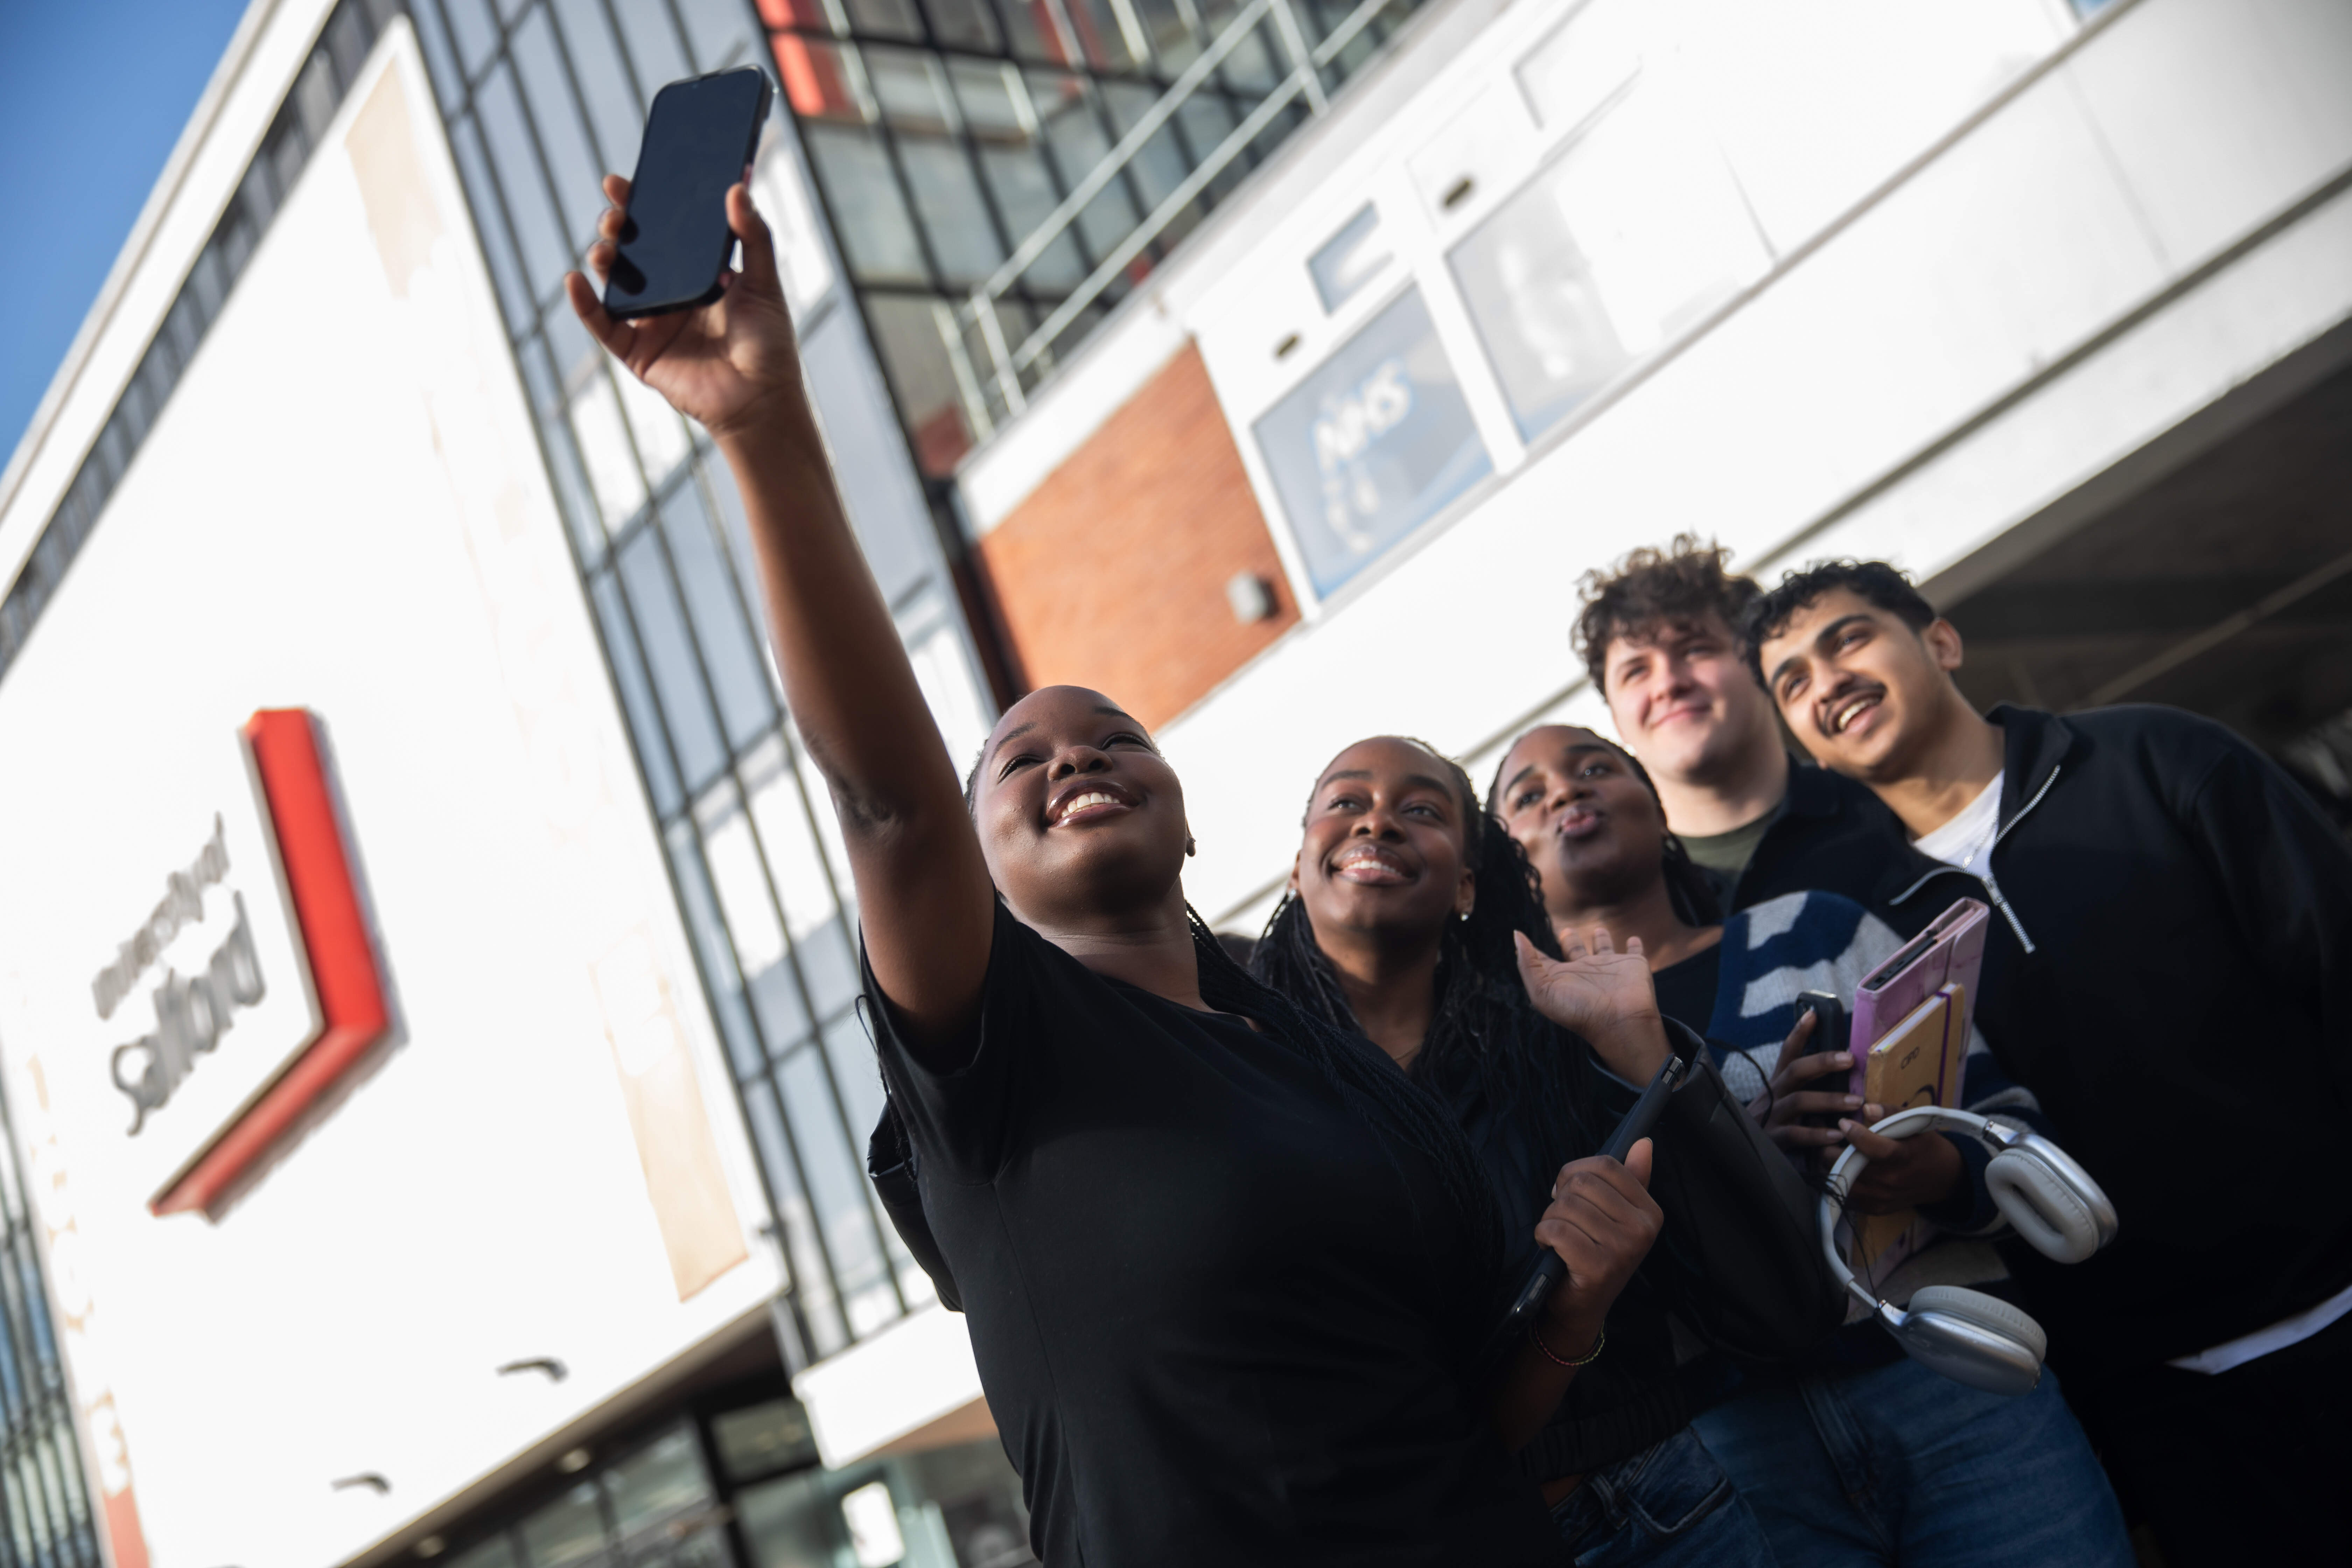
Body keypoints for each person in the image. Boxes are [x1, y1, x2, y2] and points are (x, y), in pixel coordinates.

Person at [565, 174, 1575, 1564]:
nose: (1074, 757)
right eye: (1018, 762)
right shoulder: (993, 1056)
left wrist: (1573, 1311)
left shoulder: (1330, 1064)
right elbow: (889, 804)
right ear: (976, 854)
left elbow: (1473, 1403)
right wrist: (764, 426)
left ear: (1191, 820)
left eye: (1116, 737)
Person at [1745, 559, 2352, 1567]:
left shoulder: (2160, 755)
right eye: (1793, 682)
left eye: (1848, 639)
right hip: (2165, 1411)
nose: (1826, 681)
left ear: (1940, 642)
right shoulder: (1860, 932)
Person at [1492, 723, 2134, 1568]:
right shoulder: (1518, 1050)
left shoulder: (1814, 931)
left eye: (1595, 769)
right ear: (1503, 862)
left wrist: (1925, 1166)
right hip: (1727, 1453)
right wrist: (1739, 1162)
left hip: (1945, 1381)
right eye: (1528, 796)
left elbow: (2009, 1127)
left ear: (1658, 809)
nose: (1566, 793)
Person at [1252, 735, 1840, 1561]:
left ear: (1466, 883)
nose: (1377, 822)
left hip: (1667, 1516)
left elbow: (1781, 1303)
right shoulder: (1244, 1078)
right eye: (1345, 802)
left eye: (1421, 810)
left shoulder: (1561, 1048)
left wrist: (1641, 1048)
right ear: (1297, 865)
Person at [1573, 537, 1970, 934]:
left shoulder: (1894, 813)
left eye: (1695, 649)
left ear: (1762, 668)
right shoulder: (1629, 897)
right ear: (1615, 718)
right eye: (1636, 672)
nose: (1668, 684)